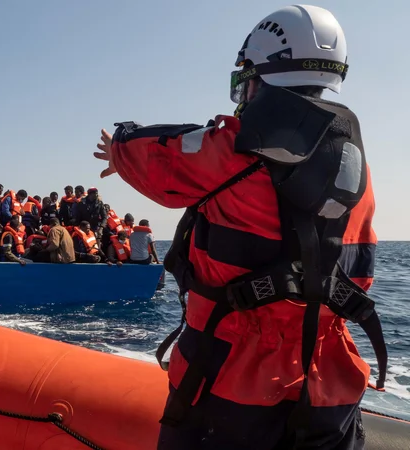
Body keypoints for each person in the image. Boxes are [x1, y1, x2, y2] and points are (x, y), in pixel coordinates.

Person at [94, 5, 385, 449]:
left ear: (258, 76)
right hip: (328, 378)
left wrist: (118, 144)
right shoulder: (357, 169)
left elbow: (152, 153)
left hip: (233, 378)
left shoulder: (232, 150)